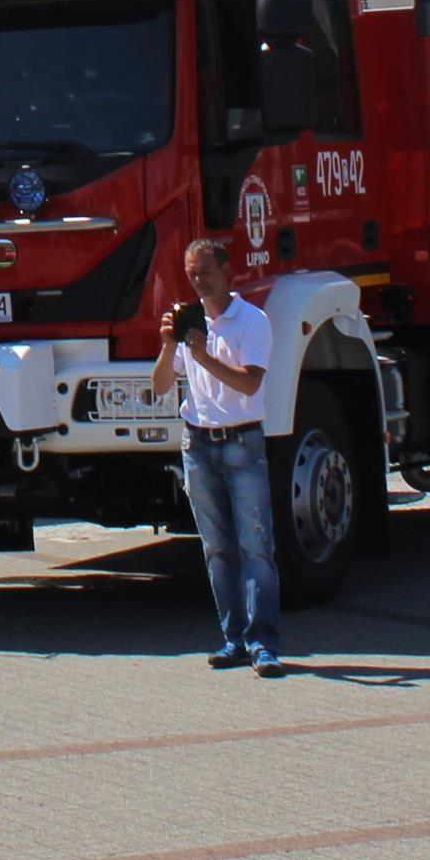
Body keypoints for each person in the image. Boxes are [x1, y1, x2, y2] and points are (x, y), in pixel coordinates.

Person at [151, 233, 280, 676]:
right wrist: (170, 345)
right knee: (217, 548)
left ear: (228, 272)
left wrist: (202, 355)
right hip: (199, 443)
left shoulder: (252, 321)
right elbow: (161, 385)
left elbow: (249, 383)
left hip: (242, 441)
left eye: (206, 271)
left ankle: (263, 643)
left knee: (256, 545)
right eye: (192, 274)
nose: (199, 280)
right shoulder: (189, 326)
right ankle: (233, 639)